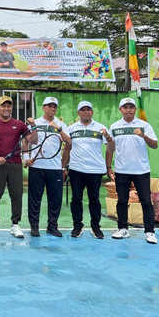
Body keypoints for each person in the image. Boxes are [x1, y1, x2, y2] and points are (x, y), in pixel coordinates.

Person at [106, 97, 159, 244]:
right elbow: (110, 148)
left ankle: (149, 231)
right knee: (122, 201)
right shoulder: (114, 126)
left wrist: (143, 135)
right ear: (120, 110)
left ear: (135, 109)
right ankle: (123, 229)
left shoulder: (144, 125)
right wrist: (109, 166)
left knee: (146, 202)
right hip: (122, 170)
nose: (128, 109)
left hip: (141, 170)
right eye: (125, 107)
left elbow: (154, 145)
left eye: (131, 107)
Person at [0, 96, 36, 239]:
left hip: (15, 164)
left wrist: (33, 126)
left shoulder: (19, 125)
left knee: (17, 195)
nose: (6, 108)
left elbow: (33, 140)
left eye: (9, 106)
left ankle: (15, 225)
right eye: (3, 106)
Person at [61, 101, 112, 239]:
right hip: (76, 170)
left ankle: (96, 227)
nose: (85, 112)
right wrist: (64, 167)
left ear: (92, 112)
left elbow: (110, 147)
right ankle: (77, 226)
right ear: (78, 113)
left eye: (88, 109)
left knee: (94, 199)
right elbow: (67, 149)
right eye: (82, 110)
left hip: (95, 170)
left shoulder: (101, 128)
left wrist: (109, 167)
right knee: (76, 199)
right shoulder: (71, 129)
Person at [25, 97, 71, 237]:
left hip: (55, 168)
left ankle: (52, 226)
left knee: (55, 199)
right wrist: (26, 158)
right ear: (43, 107)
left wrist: (59, 130)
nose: (52, 109)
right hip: (37, 166)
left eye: (54, 106)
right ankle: (34, 226)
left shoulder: (61, 124)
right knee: (34, 199)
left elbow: (68, 143)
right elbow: (27, 142)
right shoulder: (35, 123)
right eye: (49, 106)